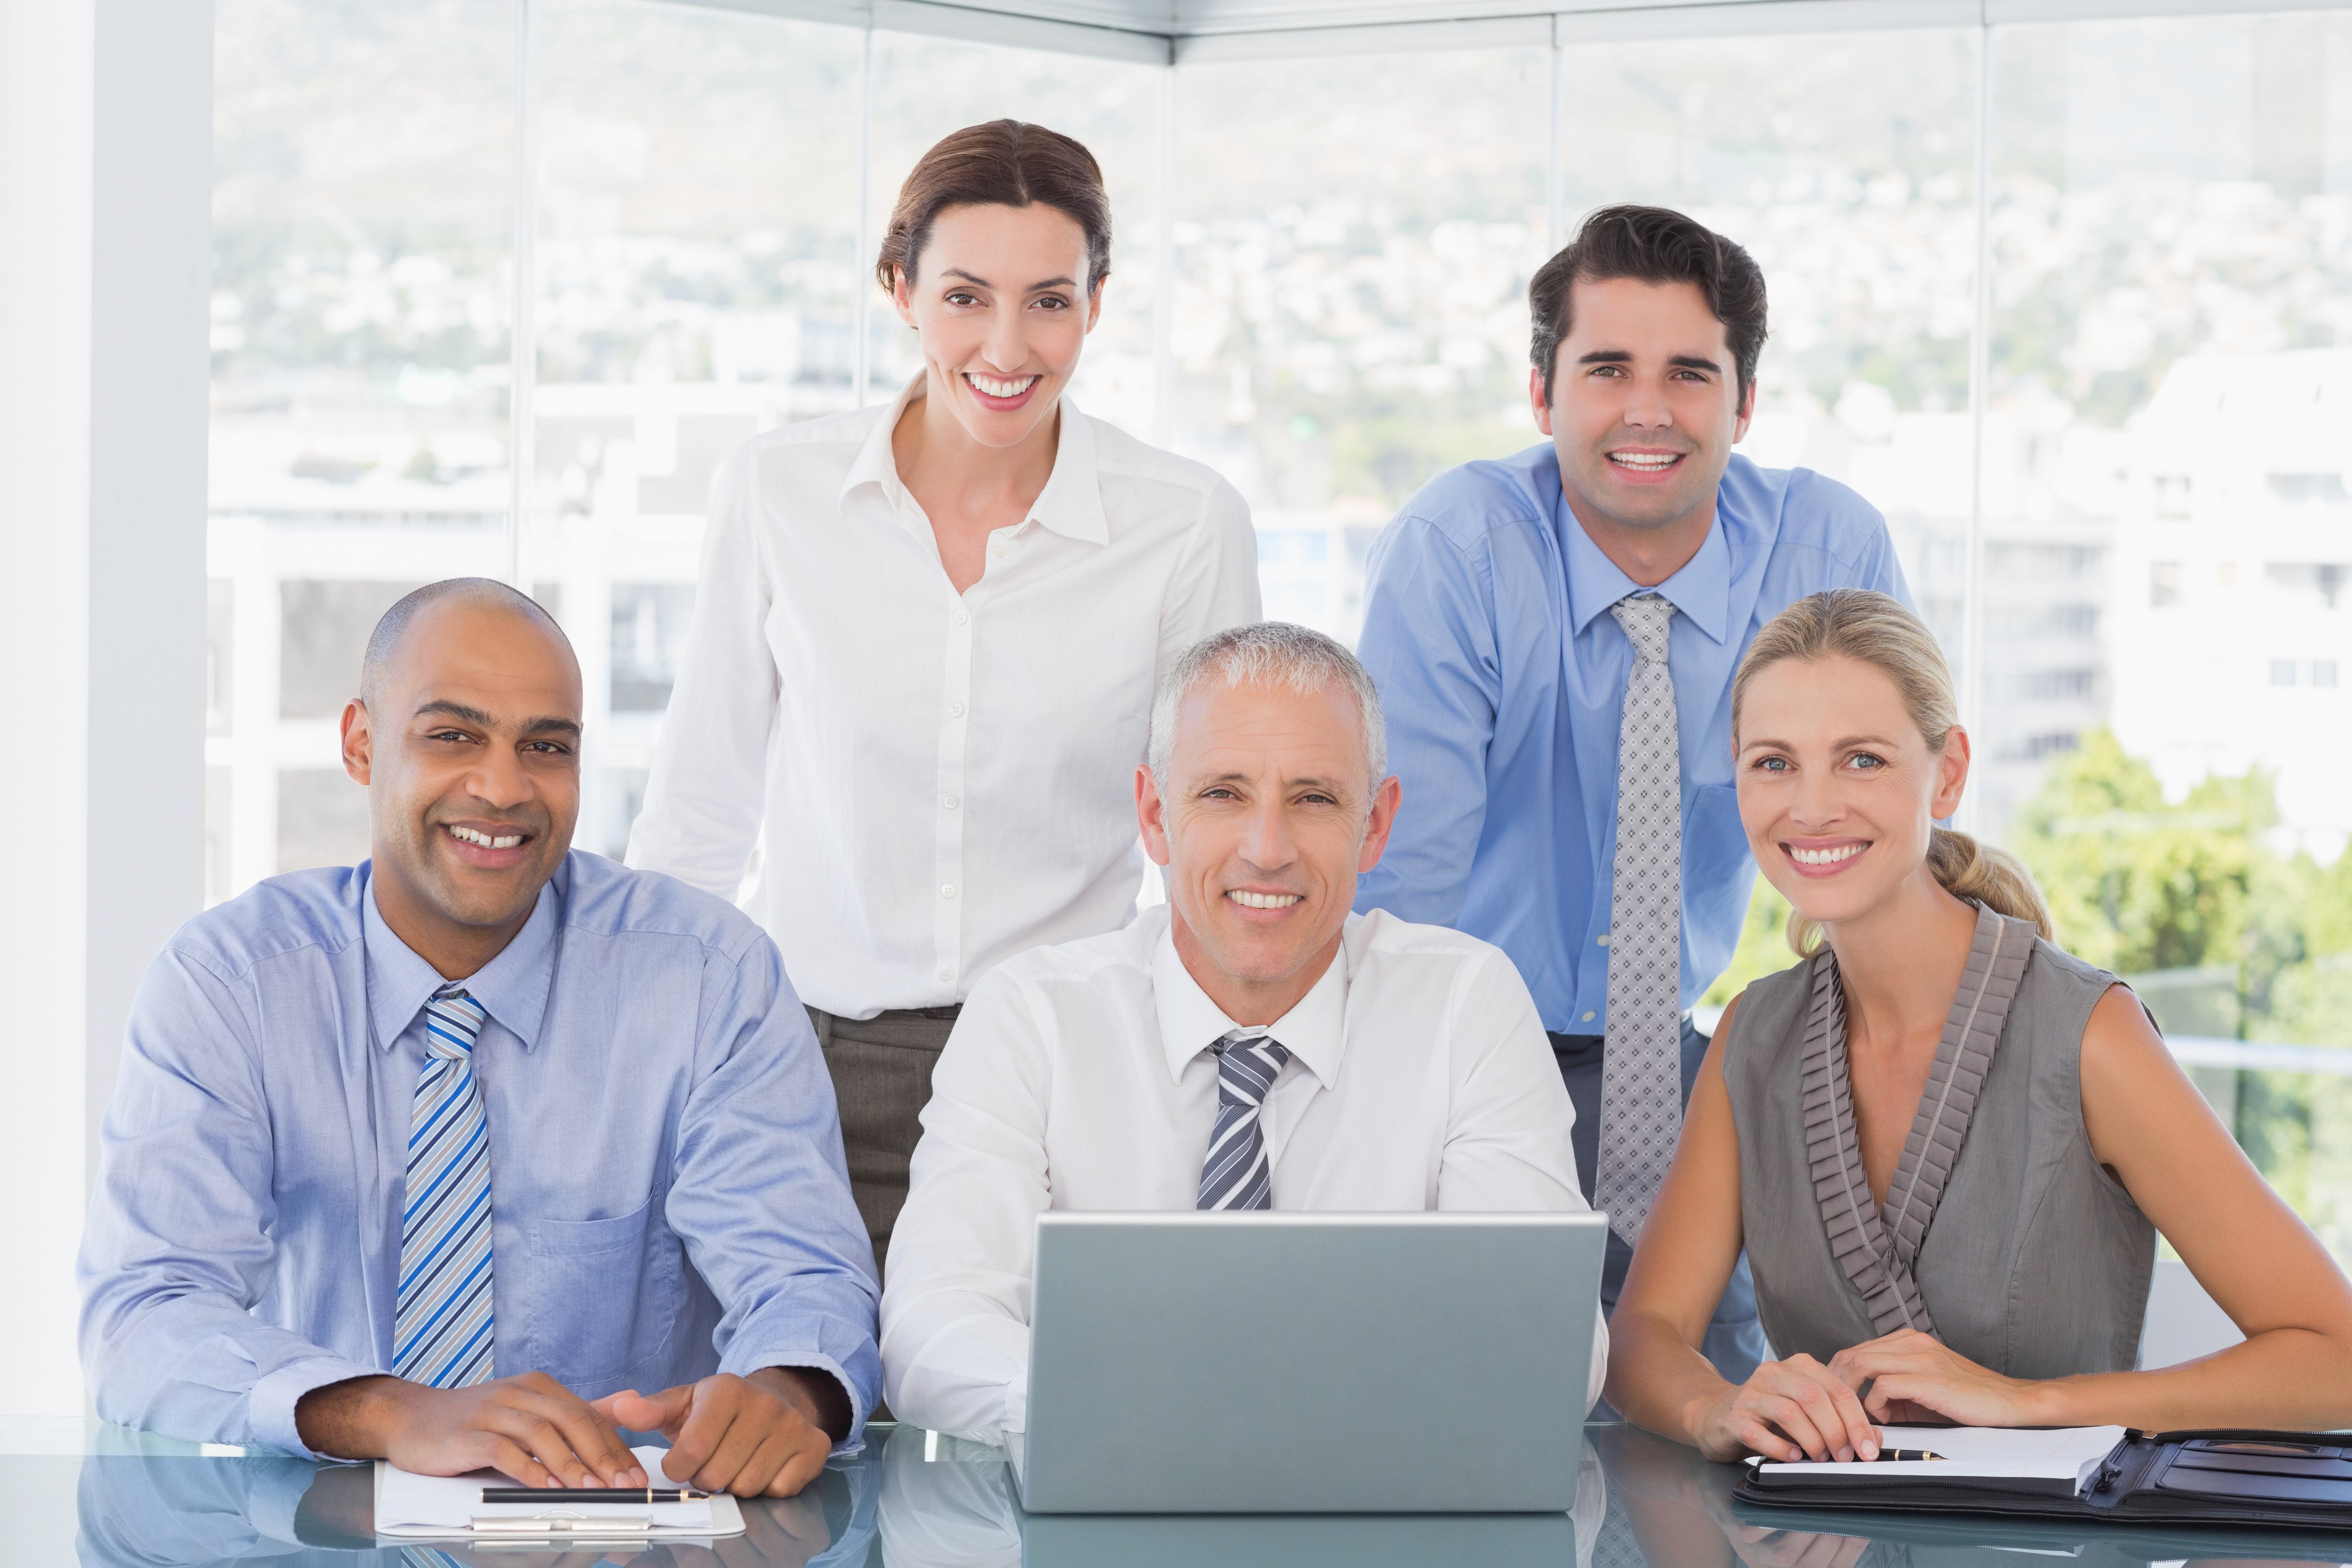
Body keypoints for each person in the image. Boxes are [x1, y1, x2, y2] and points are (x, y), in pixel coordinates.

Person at [78, 579, 879, 1497]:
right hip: (324, 1536)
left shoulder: (708, 976)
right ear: (362, 745)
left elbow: (805, 1280)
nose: (503, 789)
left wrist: (786, 1389)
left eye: (546, 746)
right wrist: (396, 1413)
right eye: (453, 736)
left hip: (625, 1542)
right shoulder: (231, 986)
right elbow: (142, 1314)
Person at [627, 119, 1259, 1267]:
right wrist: (640, 1071)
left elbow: (1214, 831)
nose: (1007, 345)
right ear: (900, 289)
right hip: (809, 1073)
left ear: (1097, 305)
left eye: (1049, 301)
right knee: (804, 1421)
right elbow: (701, 810)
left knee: (1041, 1426)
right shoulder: (780, 493)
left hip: (1068, 1072)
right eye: (966, 296)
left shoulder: (1183, 524)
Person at [1352, 203, 1913, 1380]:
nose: (1648, 411)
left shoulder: (1823, 550)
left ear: (1744, 403)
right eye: (1607, 368)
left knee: (1728, 1406)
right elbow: (1403, 886)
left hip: (1701, 1065)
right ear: (1543, 393)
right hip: (1472, 1051)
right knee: (1468, 1400)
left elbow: (1890, 852)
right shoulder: (1464, 548)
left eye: (1689, 374)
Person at [1605, 588, 2352, 1462]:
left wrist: (2028, 1404)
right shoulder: (1753, 1038)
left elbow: (2333, 1356)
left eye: (1862, 760)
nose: (1810, 808)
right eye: (1774, 763)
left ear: (1948, 772)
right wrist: (1716, 1410)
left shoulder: (2090, 1035)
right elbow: (1643, 1336)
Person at [877, 623, 1608, 1441]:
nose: (1268, 849)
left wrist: (1252, 1421)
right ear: (1155, 816)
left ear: (1375, 826)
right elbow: (932, 1327)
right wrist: (1142, 1422)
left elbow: (1550, 1344)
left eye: (1314, 798)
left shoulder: (1465, 1004)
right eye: (1224, 794)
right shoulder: (1032, 1015)